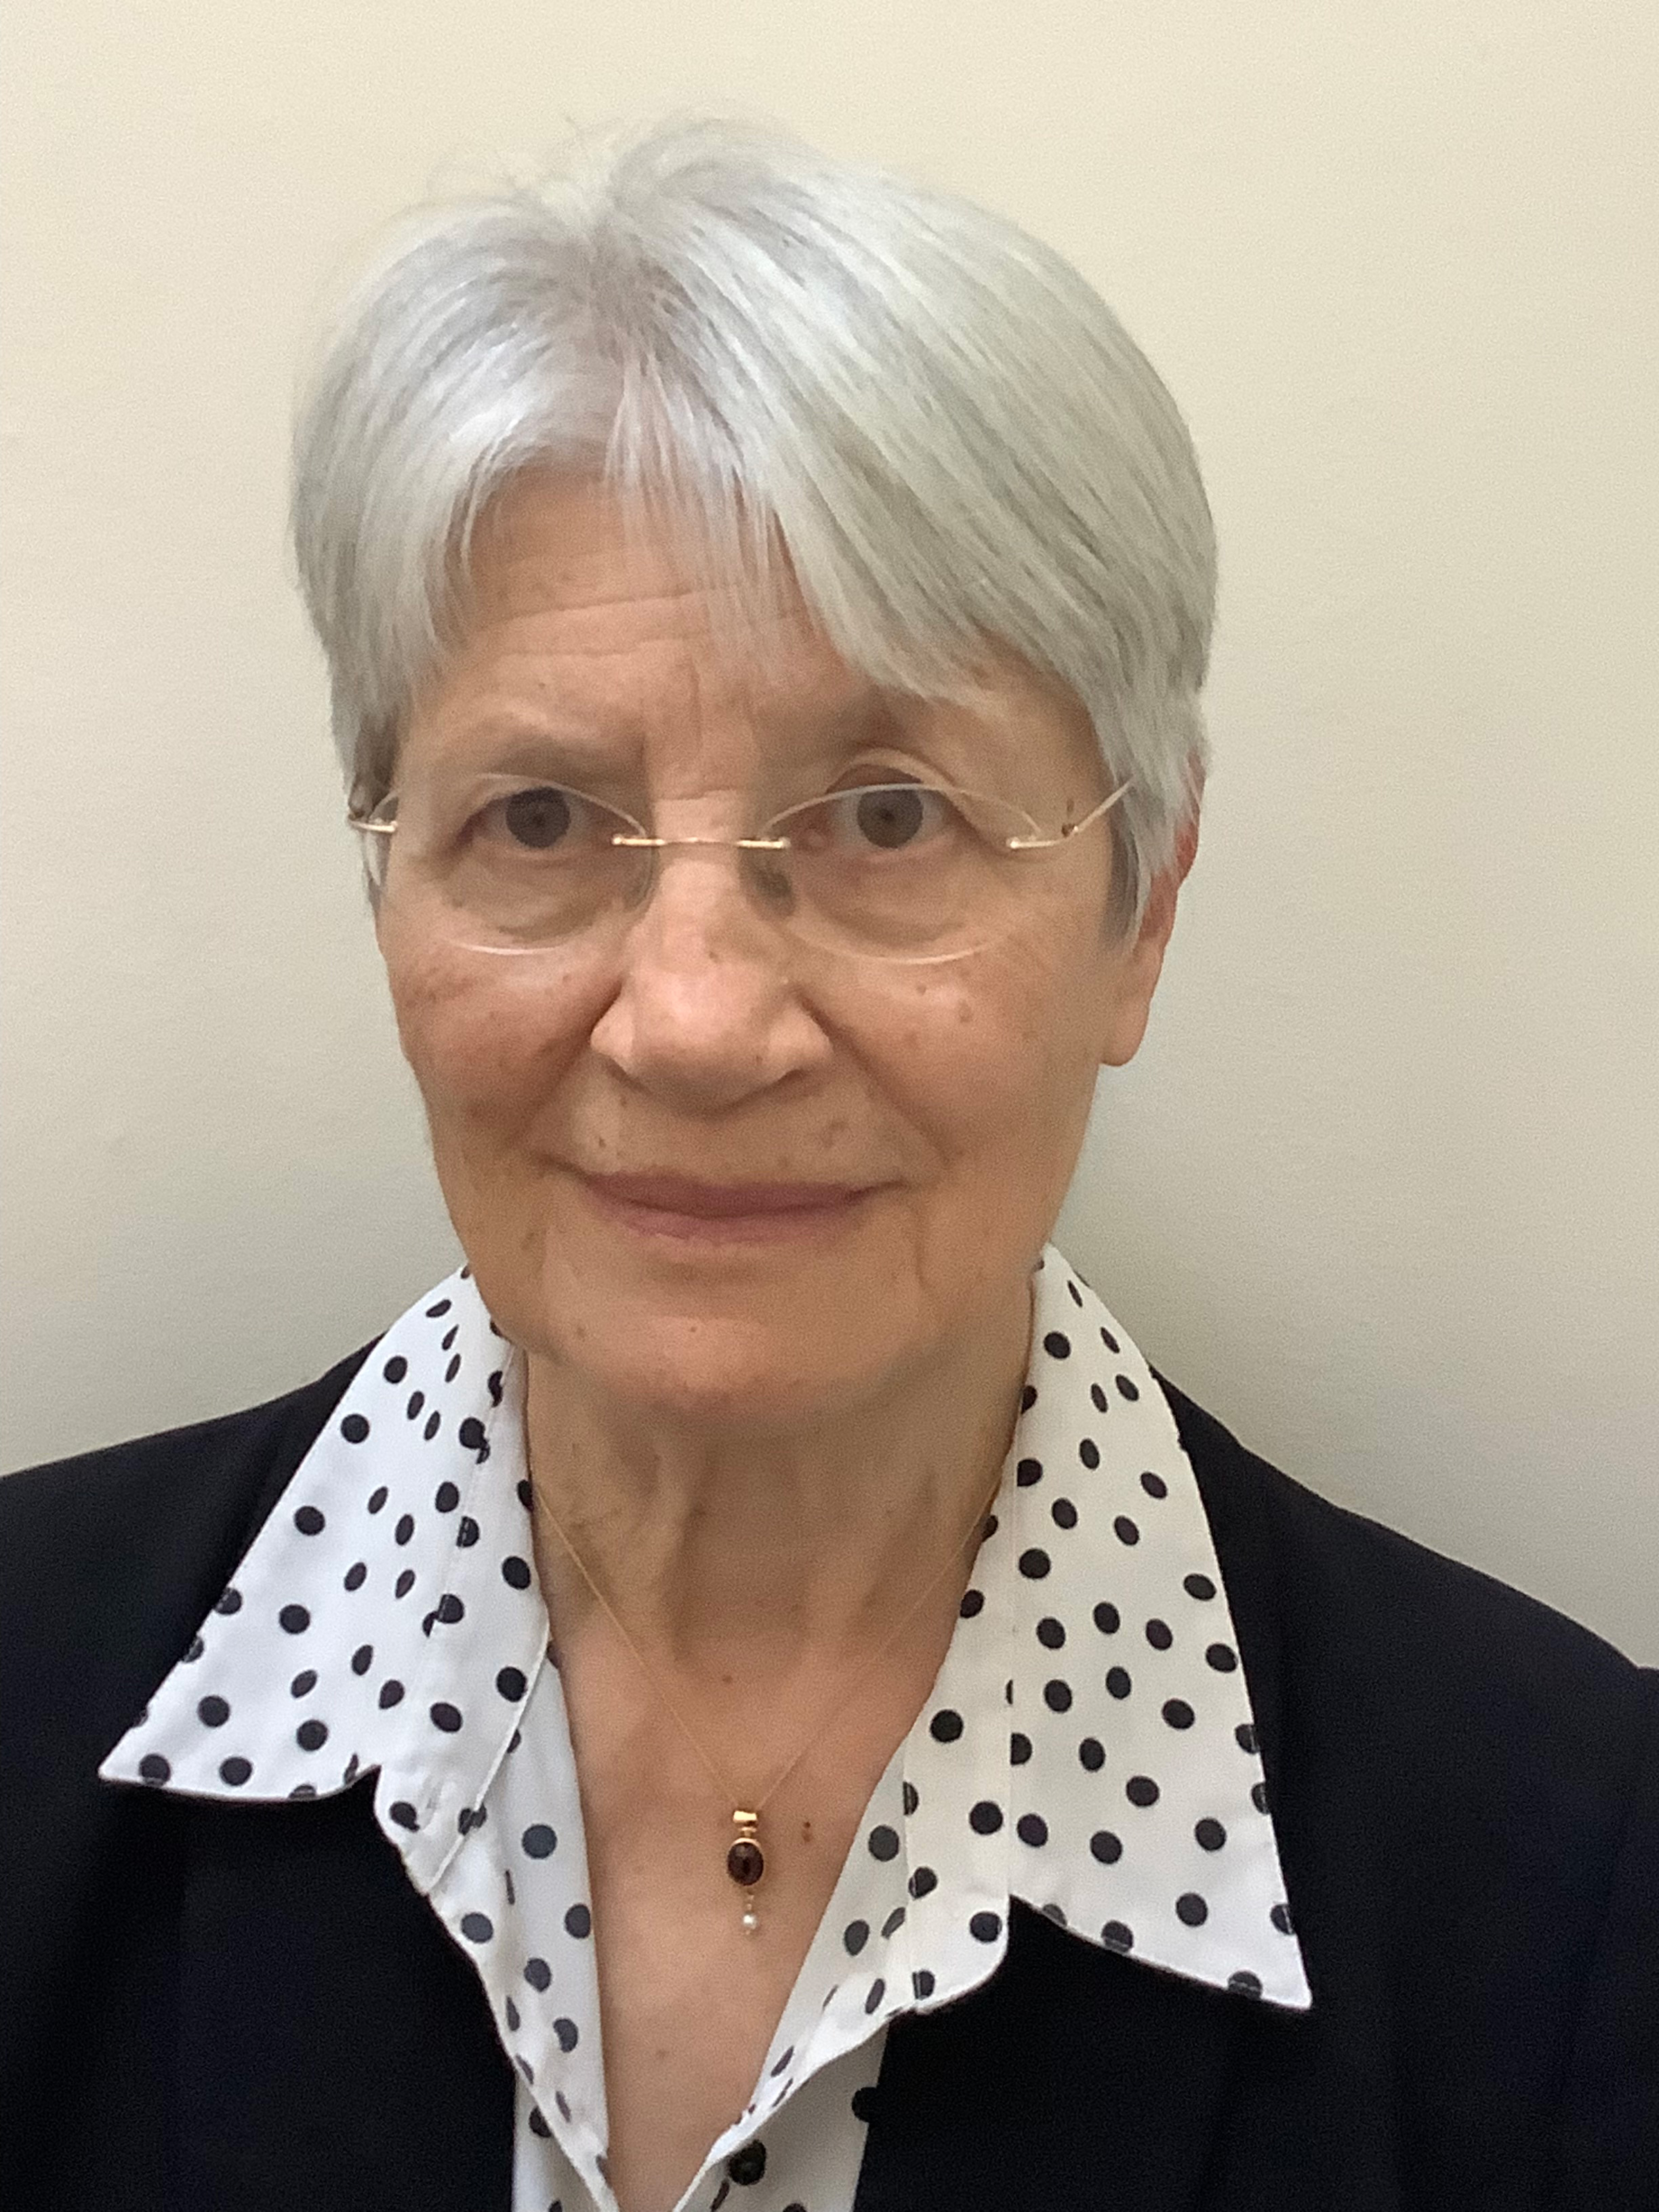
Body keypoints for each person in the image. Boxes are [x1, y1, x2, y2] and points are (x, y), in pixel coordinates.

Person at [1, 113, 1654, 2212]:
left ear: (1143, 913)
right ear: (387, 884)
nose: (694, 1021)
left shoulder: (1577, 1891)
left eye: (888, 817)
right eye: (537, 819)